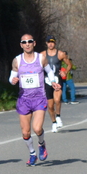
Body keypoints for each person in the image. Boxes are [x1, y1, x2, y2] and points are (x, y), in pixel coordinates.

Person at [11, 34, 52, 166]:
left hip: (39, 98)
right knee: (25, 132)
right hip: (24, 99)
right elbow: (11, 78)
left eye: (29, 41)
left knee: (37, 128)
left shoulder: (41, 58)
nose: (27, 44)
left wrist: (54, 82)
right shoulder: (17, 60)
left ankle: (42, 144)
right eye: (24, 42)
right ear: (21, 44)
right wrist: (13, 80)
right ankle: (32, 153)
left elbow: (49, 72)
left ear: (34, 43)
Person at [43, 38, 67, 131]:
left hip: (57, 80)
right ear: (46, 43)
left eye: (52, 42)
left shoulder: (60, 54)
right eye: (49, 42)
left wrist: (65, 72)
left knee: (57, 100)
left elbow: (68, 64)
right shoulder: (42, 54)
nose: (50, 44)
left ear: (55, 43)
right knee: (50, 105)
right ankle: (53, 122)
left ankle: (58, 116)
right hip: (47, 81)